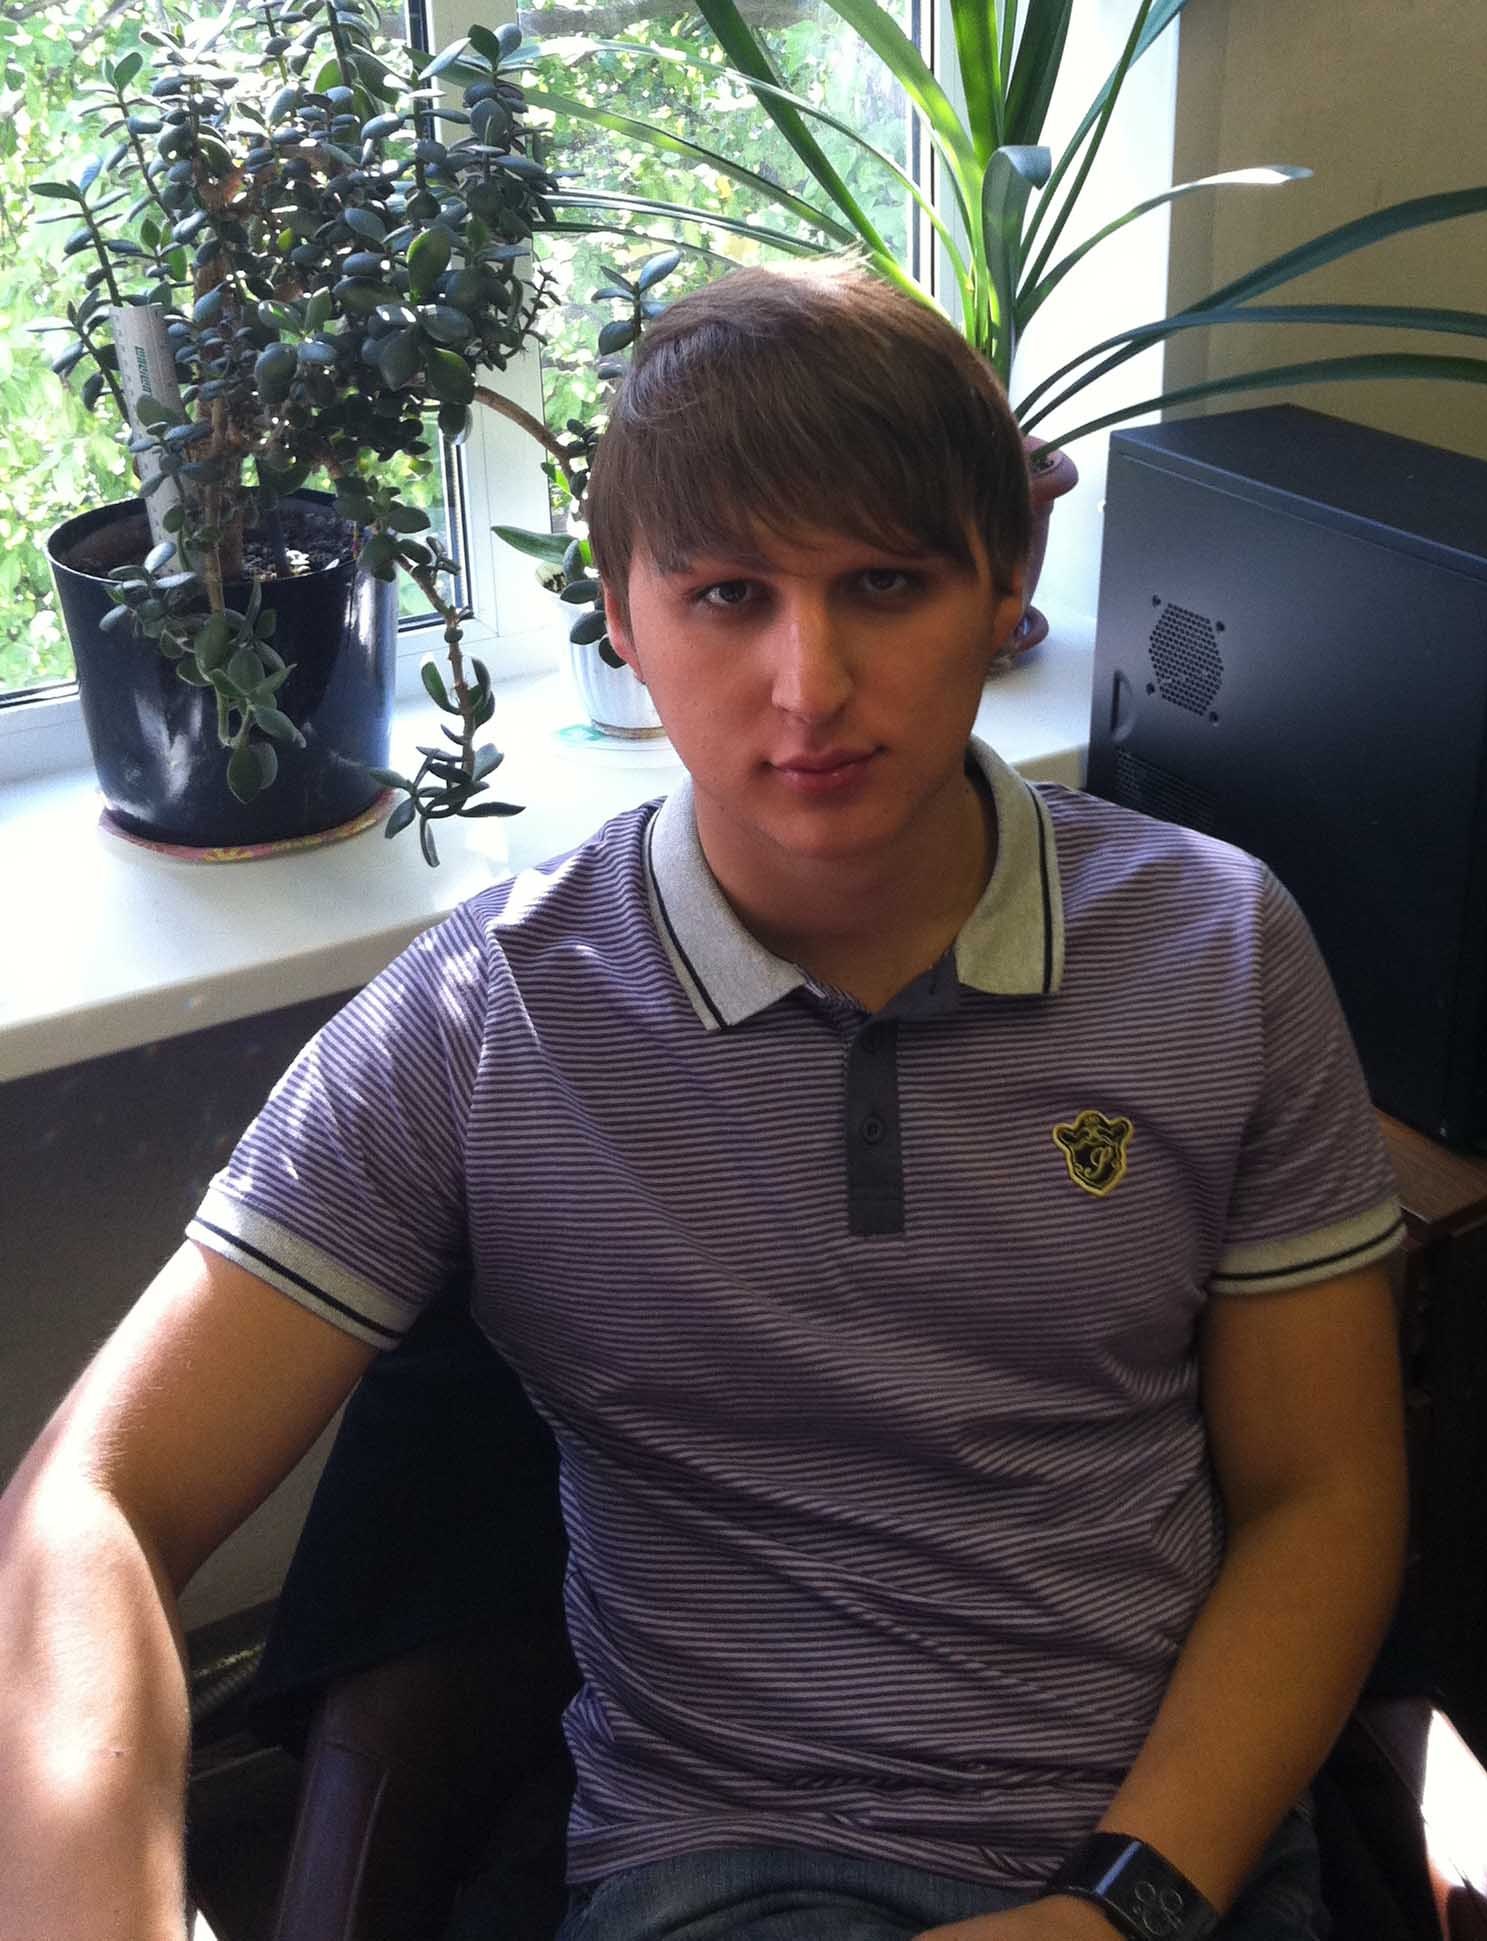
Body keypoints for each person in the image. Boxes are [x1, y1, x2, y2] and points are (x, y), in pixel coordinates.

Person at [0, 258, 1406, 1941]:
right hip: (740, 1863)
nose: (809, 685)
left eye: (884, 583)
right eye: (730, 594)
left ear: (1005, 583)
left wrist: (1124, 1902)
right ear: (621, 608)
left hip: (1168, 1846)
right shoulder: (487, 1017)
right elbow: (90, 1499)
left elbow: (1321, 1493)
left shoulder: (1219, 951)